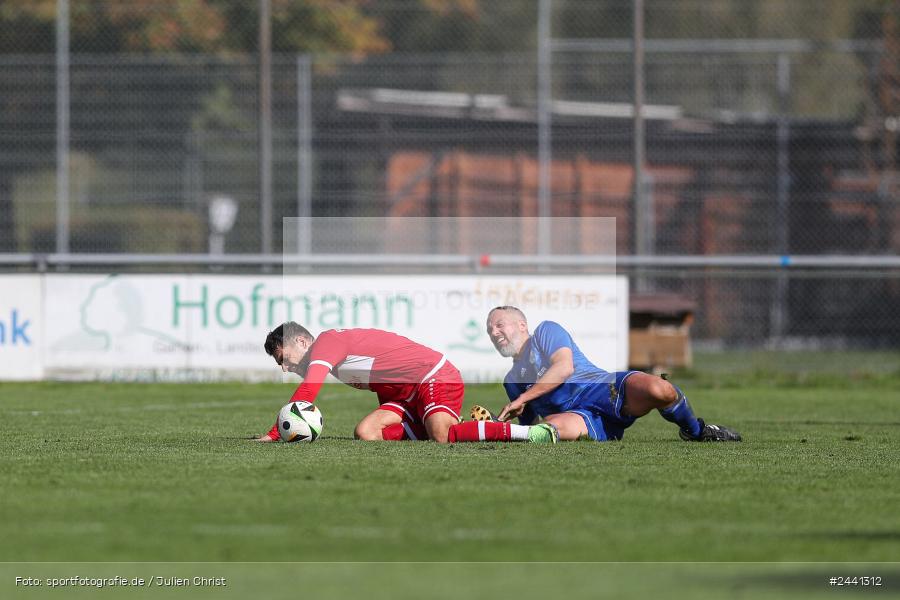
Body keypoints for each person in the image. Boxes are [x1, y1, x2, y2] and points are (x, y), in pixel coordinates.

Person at [449, 306, 741, 443]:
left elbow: (564, 368)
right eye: (490, 330)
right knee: (554, 427)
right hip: (583, 418)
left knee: (660, 390)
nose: (494, 332)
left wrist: (524, 397)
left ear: (523, 324)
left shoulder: (545, 332)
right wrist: (498, 423)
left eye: (500, 324)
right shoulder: (512, 380)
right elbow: (529, 424)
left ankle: (696, 431)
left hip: (604, 388)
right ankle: (481, 433)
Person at [255, 321, 466, 443]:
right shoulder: (330, 354)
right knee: (366, 432)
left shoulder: (326, 342)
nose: (284, 367)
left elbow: (309, 389)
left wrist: (276, 433)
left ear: (301, 341)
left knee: (441, 436)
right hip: (406, 395)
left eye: (284, 358)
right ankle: (446, 424)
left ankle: (496, 429)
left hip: (432, 375)